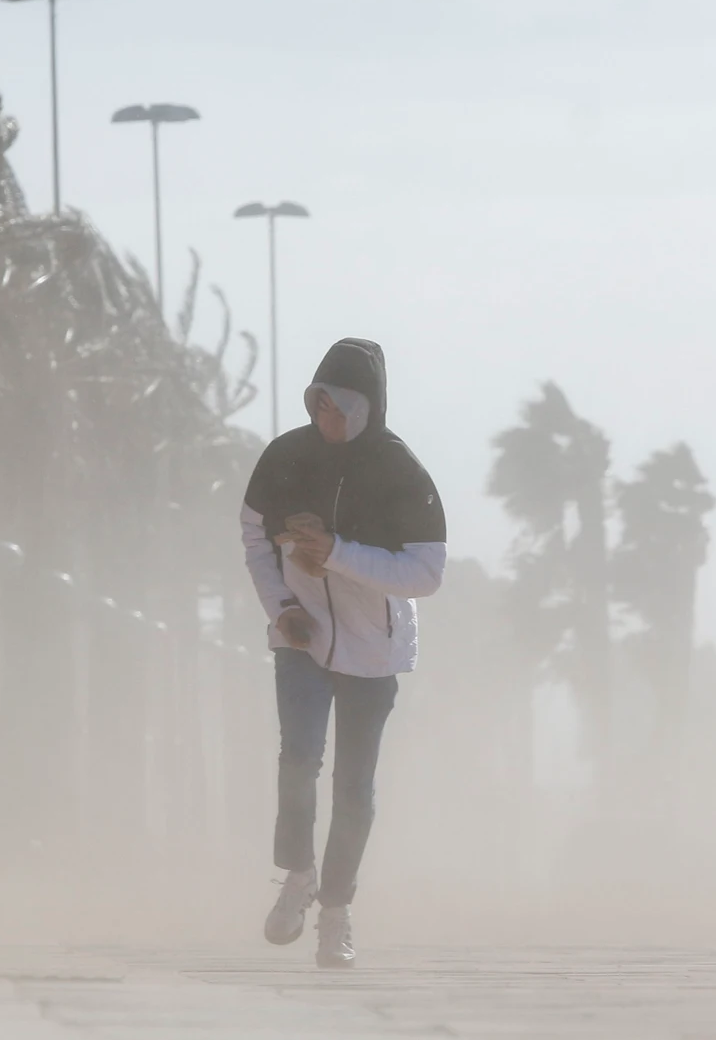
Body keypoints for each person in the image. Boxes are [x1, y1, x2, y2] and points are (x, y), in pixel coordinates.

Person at [239, 338, 447, 969]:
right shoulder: (285, 457)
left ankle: (336, 912)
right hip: (300, 636)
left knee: (354, 787)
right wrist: (283, 607)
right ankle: (297, 875)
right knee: (298, 760)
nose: (328, 419)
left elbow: (426, 573)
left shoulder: (399, 471)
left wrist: (337, 553)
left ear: (368, 407)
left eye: (341, 408)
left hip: (372, 647)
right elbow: (254, 536)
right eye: (320, 404)